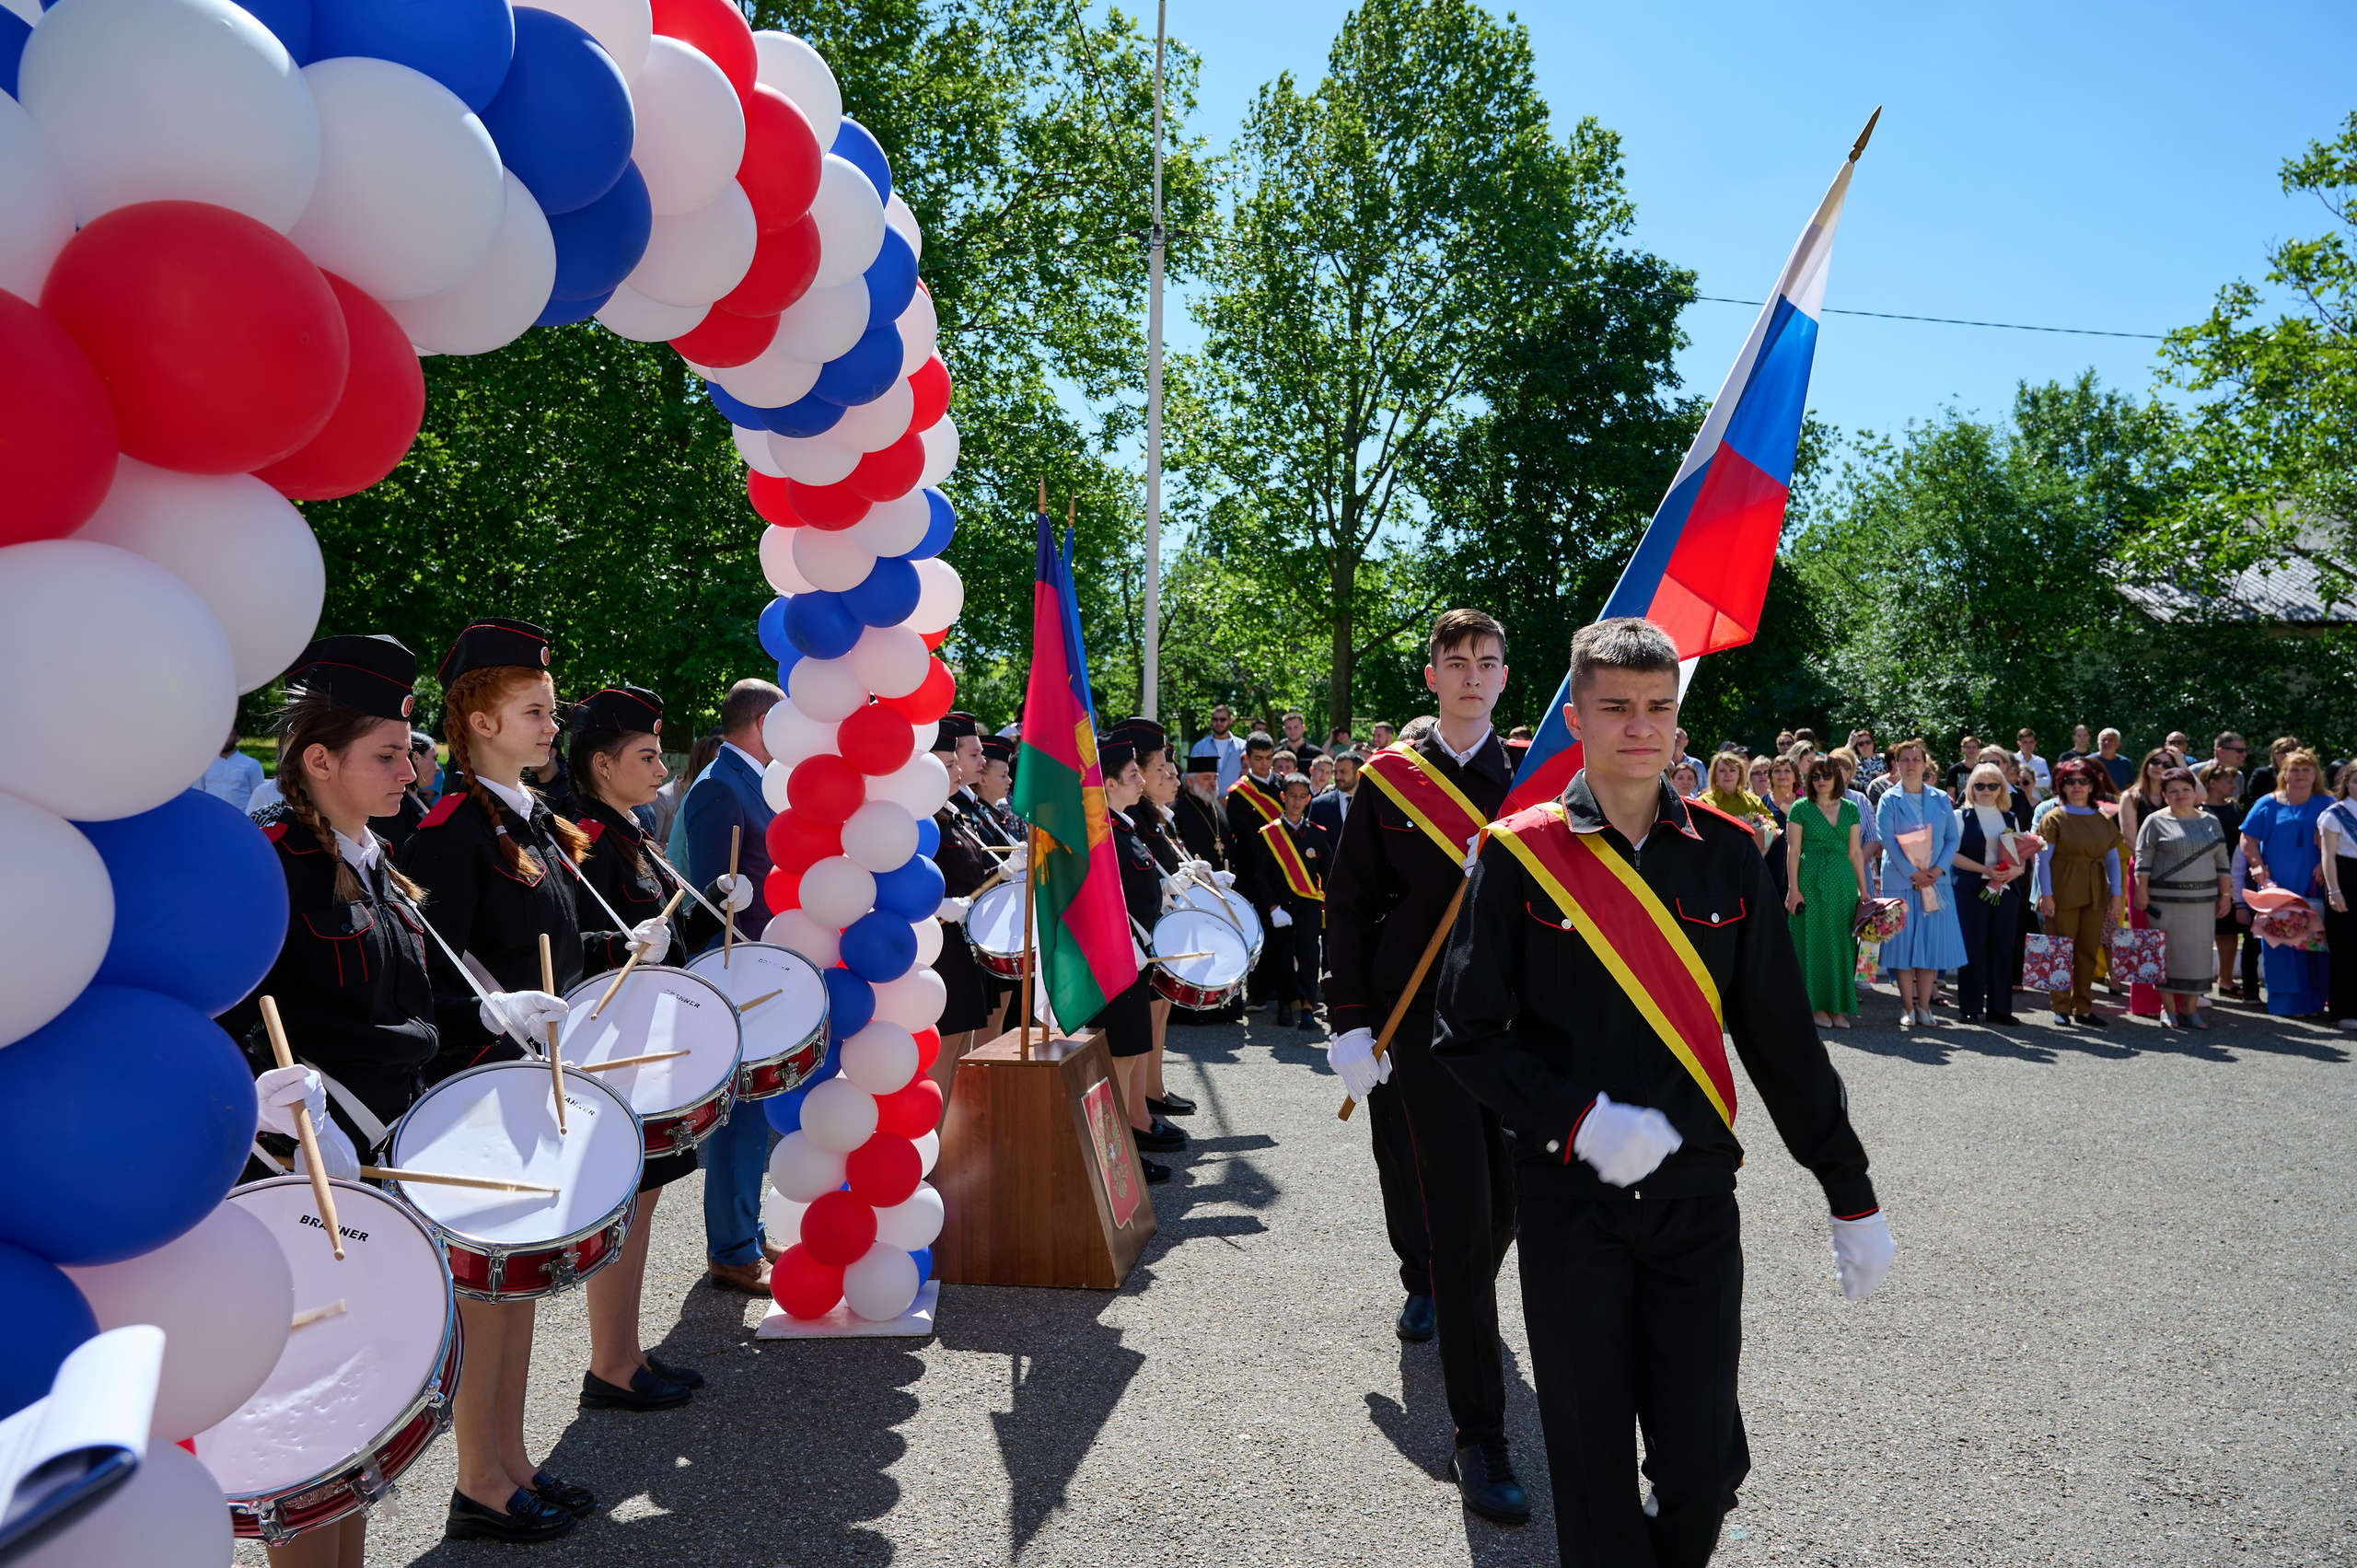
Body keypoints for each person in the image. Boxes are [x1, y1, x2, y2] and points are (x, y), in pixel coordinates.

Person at [1434, 616, 1890, 1568]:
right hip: (1568, 1200)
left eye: (1657, 708)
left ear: (1676, 722)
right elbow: (1463, 1036)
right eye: (1616, 707)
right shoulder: (1517, 856)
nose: (1639, 726)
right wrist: (1579, 1121)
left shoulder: (1727, 853)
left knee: (1701, 1466)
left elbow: (1779, 1036)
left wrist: (1848, 1188)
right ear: (1577, 718)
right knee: (1590, 1462)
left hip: (1692, 1199)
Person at [398, 619, 667, 1544]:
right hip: (485, 1086)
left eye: (551, 710)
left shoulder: (529, 818)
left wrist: (614, 945)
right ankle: (480, 1479)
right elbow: (433, 970)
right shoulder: (452, 830)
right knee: (488, 1289)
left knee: (516, 1286)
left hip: (538, 1075)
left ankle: (508, 1460)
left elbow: (542, 943)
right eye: (534, 710)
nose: (554, 725)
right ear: (477, 717)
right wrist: (490, 1012)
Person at [220, 634, 488, 1562]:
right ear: (318, 758)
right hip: (301, 1178)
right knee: (307, 1428)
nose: (410, 769)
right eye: (387, 753)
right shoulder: (267, 868)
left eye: (408, 749)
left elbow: (404, 1003)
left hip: (377, 1167)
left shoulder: (375, 855)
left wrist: (487, 1007)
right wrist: (259, 1088)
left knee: (362, 1418)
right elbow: (217, 1016)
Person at [1324, 609, 1524, 1521]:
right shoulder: (1387, 782)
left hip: (1519, 1035)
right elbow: (1350, 903)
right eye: (1456, 661)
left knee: (1505, 1207)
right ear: (1432, 676)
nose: (1472, 674)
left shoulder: (1534, 782)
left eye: (1487, 661)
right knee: (1455, 1212)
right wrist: (1350, 1022)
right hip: (1424, 1030)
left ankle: (1451, 1284)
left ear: (1504, 676)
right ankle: (1478, 1431)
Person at [564, 685, 749, 1410]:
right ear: (603, 765)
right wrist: (621, 943)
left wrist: (712, 911)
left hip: (652, 1048)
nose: (659, 767)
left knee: (642, 1202)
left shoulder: (633, 833)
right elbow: (583, 948)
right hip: (617, 1052)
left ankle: (625, 1351)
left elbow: (668, 939)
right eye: (645, 755)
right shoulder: (583, 836)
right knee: (626, 1204)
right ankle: (610, 1360)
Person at [678, 678, 784, 1295]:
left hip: (763, 967)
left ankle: (746, 1224)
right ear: (764, 723)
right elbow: (714, 894)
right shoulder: (720, 784)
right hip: (734, 970)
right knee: (739, 1114)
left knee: (754, 1109)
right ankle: (731, 1248)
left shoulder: (753, 779)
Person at [1093, 739, 1184, 1181]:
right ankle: (1115, 1159)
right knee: (1116, 1065)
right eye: (1132, 776)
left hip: (1137, 961)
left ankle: (1122, 1152)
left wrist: (1170, 888)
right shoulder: (1105, 832)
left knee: (1128, 1057)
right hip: (1118, 963)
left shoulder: (1123, 828)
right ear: (1108, 785)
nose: (1142, 781)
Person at [926, 714, 1014, 1087]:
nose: (959, 770)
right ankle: (941, 1144)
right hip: (940, 951)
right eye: (949, 765)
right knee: (943, 1062)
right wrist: (936, 905)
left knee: (961, 1053)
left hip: (965, 949)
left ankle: (952, 1141)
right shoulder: (922, 820)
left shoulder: (953, 816)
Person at [2132, 766, 2233, 1029]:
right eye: (2173, 791)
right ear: (2164, 795)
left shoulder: (2210, 821)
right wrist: (2141, 891)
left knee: (2198, 956)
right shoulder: (2154, 821)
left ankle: (2190, 1011)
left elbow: (2223, 862)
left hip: (2203, 902)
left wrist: (2225, 895)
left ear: (2195, 792)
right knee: (2167, 955)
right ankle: (2168, 1011)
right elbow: (2142, 862)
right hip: (2164, 903)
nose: (2180, 795)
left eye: (2185, 789)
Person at [1875, 738, 1967, 1028]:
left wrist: (1937, 870)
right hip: (1901, 881)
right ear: (1897, 764)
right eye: (1904, 760)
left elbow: (1952, 839)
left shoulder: (1941, 798)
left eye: (1916, 759)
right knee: (1902, 946)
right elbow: (1887, 840)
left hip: (1936, 882)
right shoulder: (1889, 799)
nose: (1910, 764)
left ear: (1926, 764)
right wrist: (1913, 873)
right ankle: (1906, 1007)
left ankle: (1925, 1007)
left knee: (1930, 944)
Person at [2033, 759, 2127, 1027]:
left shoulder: (2102, 819)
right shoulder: (2054, 817)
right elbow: (2042, 860)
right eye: (2070, 781)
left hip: (2095, 888)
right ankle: (2060, 1007)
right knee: (2060, 948)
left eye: (2082, 781)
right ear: (2061, 786)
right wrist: (2046, 894)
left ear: (2092, 785)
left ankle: (2083, 1006)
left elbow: (2111, 860)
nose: (2076, 786)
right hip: (2062, 887)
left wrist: (2116, 894)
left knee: (2087, 950)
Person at [2240, 748, 2330, 1016]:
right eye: (2294, 769)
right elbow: (2247, 838)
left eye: (2306, 770)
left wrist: (2326, 862)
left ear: (2315, 775)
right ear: (2284, 774)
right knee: (2280, 942)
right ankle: (2287, 1005)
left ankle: (2315, 1003)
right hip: (2276, 884)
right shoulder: (2267, 803)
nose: (2300, 775)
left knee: (2314, 942)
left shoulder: (2327, 803)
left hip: (2314, 881)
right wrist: (2256, 865)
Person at [1784, 757, 1866, 1028]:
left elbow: (1855, 852)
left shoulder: (1851, 808)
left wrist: (1864, 891)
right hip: (1810, 880)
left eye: (1826, 776)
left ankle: (1837, 1007)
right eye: (1815, 776)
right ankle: (1814, 1006)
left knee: (1841, 943)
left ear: (1837, 779)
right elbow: (1793, 851)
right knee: (1811, 940)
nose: (1820, 781)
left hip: (1843, 882)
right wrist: (1793, 889)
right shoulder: (1800, 808)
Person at [1950, 761, 2028, 1025]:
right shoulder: (1961, 816)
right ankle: (1970, 1008)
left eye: (1992, 785)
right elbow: (1952, 855)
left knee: (2003, 948)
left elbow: (2020, 858)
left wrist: (2013, 872)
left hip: (2006, 890)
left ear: (2001, 789)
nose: (1986, 790)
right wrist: (1985, 869)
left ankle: (2000, 1009)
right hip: (1971, 890)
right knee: (1973, 949)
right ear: (1971, 788)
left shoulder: (2010, 818)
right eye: (1980, 785)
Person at [1257, 772, 1332, 1030]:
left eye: (1302, 797)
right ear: (1283, 797)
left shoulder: (1317, 834)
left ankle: (1308, 1008)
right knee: (1283, 954)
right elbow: (1261, 876)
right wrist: (1273, 907)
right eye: (1292, 796)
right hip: (1280, 905)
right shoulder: (1269, 834)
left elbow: (1329, 871)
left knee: (1309, 954)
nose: (1297, 802)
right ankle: (1285, 1005)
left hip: (1309, 905)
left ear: (1309, 799)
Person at [1226, 732, 1285, 1008]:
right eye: (1258, 759)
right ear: (1247, 759)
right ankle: (1258, 991)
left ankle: (1277, 986)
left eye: (1268, 758)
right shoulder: (1238, 794)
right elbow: (1246, 837)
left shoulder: (1283, 785)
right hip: (1253, 872)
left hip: (1283, 871)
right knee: (1259, 930)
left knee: (1281, 934)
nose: (1264, 764)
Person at [2201, 767, 2251, 999]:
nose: (2233, 786)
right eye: (2229, 781)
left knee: (2229, 932)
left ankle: (2226, 980)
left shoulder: (2234, 807)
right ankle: (2198, 983)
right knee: (2201, 932)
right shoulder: (2198, 810)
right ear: (2212, 783)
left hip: (2231, 877)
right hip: (2203, 878)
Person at [2316, 764, 2357, 1028]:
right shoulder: (2334, 814)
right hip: (2346, 878)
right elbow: (2327, 856)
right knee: (2346, 947)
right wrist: (2334, 891)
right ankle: (2344, 1009)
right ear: (2347, 782)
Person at [368, 729, 441, 850]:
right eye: (434, 758)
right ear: (417, 758)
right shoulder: (395, 804)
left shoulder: (418, 797)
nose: (438, 768)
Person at [662, 729, 725, 869]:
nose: (723, 766)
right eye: (717, 761)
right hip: (685, 888)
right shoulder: (701, 797)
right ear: (704, 764)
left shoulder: (696, 794)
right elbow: (698, 855)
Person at [1172, 754, 1234, 871]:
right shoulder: (1177, 811)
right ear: (1190, 781)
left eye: (1215, 778)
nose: (1213, 783)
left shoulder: (1217, 806)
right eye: (1207, 778)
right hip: (1196, 882)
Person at [199, 726, 264, 810]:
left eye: (228, 735)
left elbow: (259, 794)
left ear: (237, 738)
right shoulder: (206, 763)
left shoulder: (251, 764)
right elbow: (199, 792)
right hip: (211, 815)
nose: (223, 739)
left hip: (240, 818)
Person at [1190, 703, 1246, 794]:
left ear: (1230, 721)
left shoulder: (1243, 747)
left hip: (1236, 802)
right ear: (1211, 720)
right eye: (1215, 719)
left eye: (1223, 720)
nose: (1218, 723)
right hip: (1206, 802)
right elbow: (1192, 777)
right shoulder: (1200, 747)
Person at [2193, 731, 2249, 798]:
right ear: (2221, 751)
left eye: (2245, 750)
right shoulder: (2195, 772)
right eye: (2240, 750)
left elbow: (2234, 806)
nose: (2244, 755)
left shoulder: (2238, 776)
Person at [2014, 727, 2052, 802]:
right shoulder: (2013, 760)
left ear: (2035, 743)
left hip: (2036, 800)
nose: (2029, 745)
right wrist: (2036, 779)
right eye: (2025, 742)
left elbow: (2047, 782)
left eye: (2031, 742)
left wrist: (2023, 781)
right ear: (2019, 743)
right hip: (2015, 799)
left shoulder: (2041, 761)